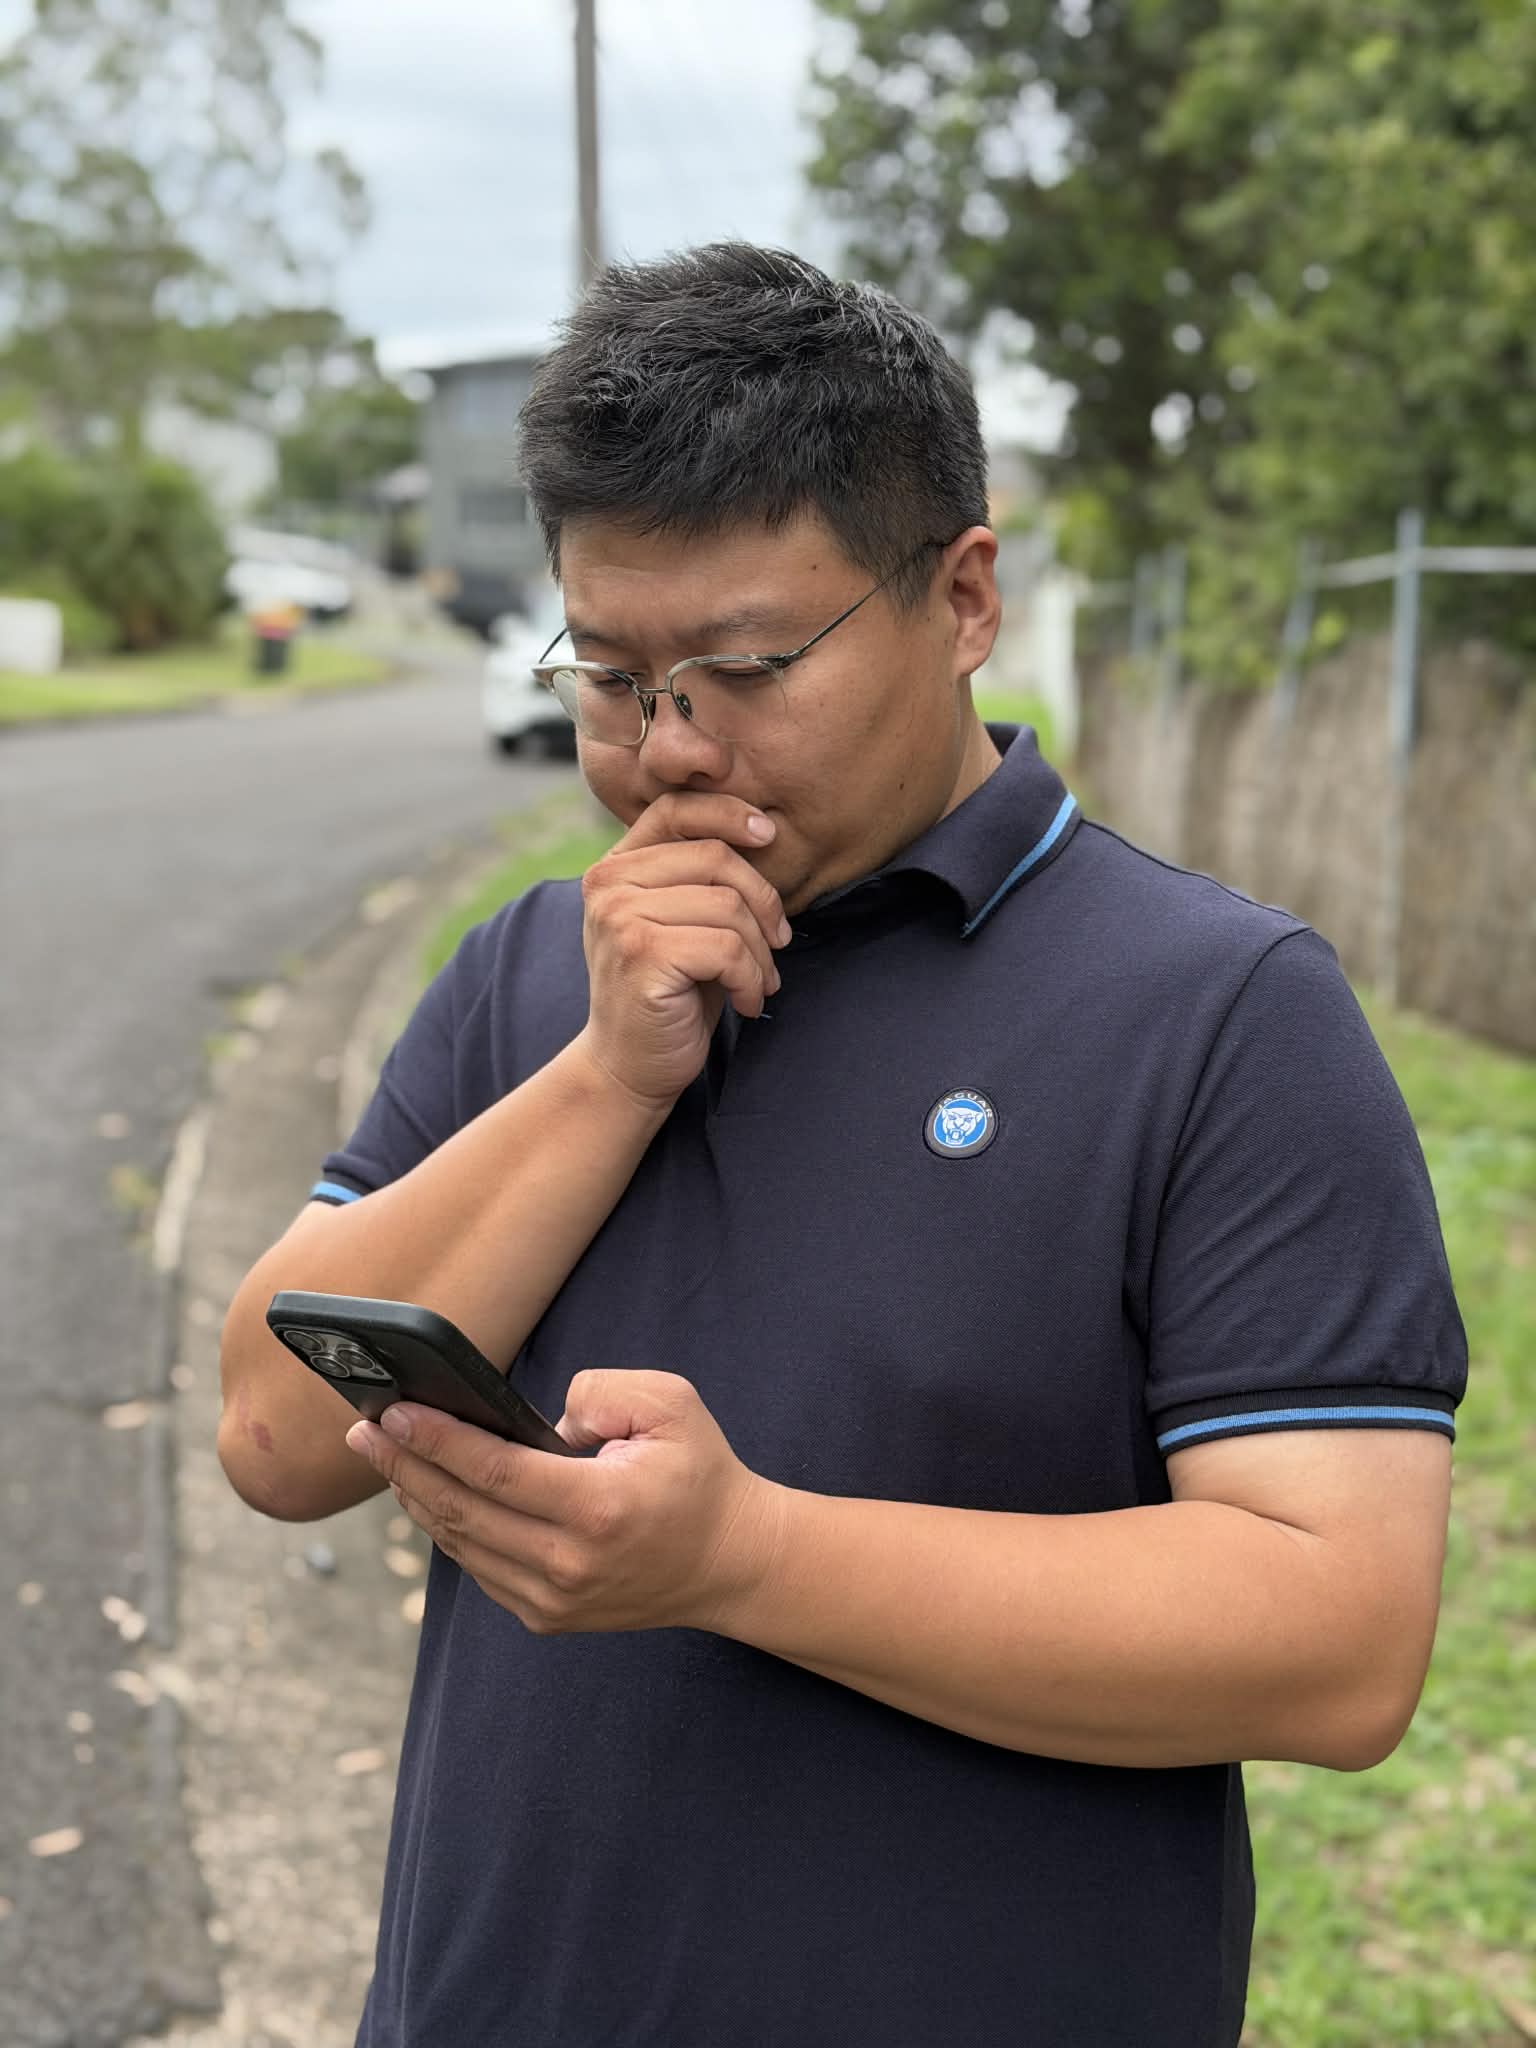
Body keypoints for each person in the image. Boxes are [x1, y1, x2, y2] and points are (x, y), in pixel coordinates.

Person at [217, 243, 1467, 2048]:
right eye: (613, 674)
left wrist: (741, 1557)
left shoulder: (1219, 1011)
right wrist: (609, 1076)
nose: (669, 753)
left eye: (738, 668)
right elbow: (272, 1434)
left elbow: (1339, 1635)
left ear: (963, 598)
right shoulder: (531, 976)